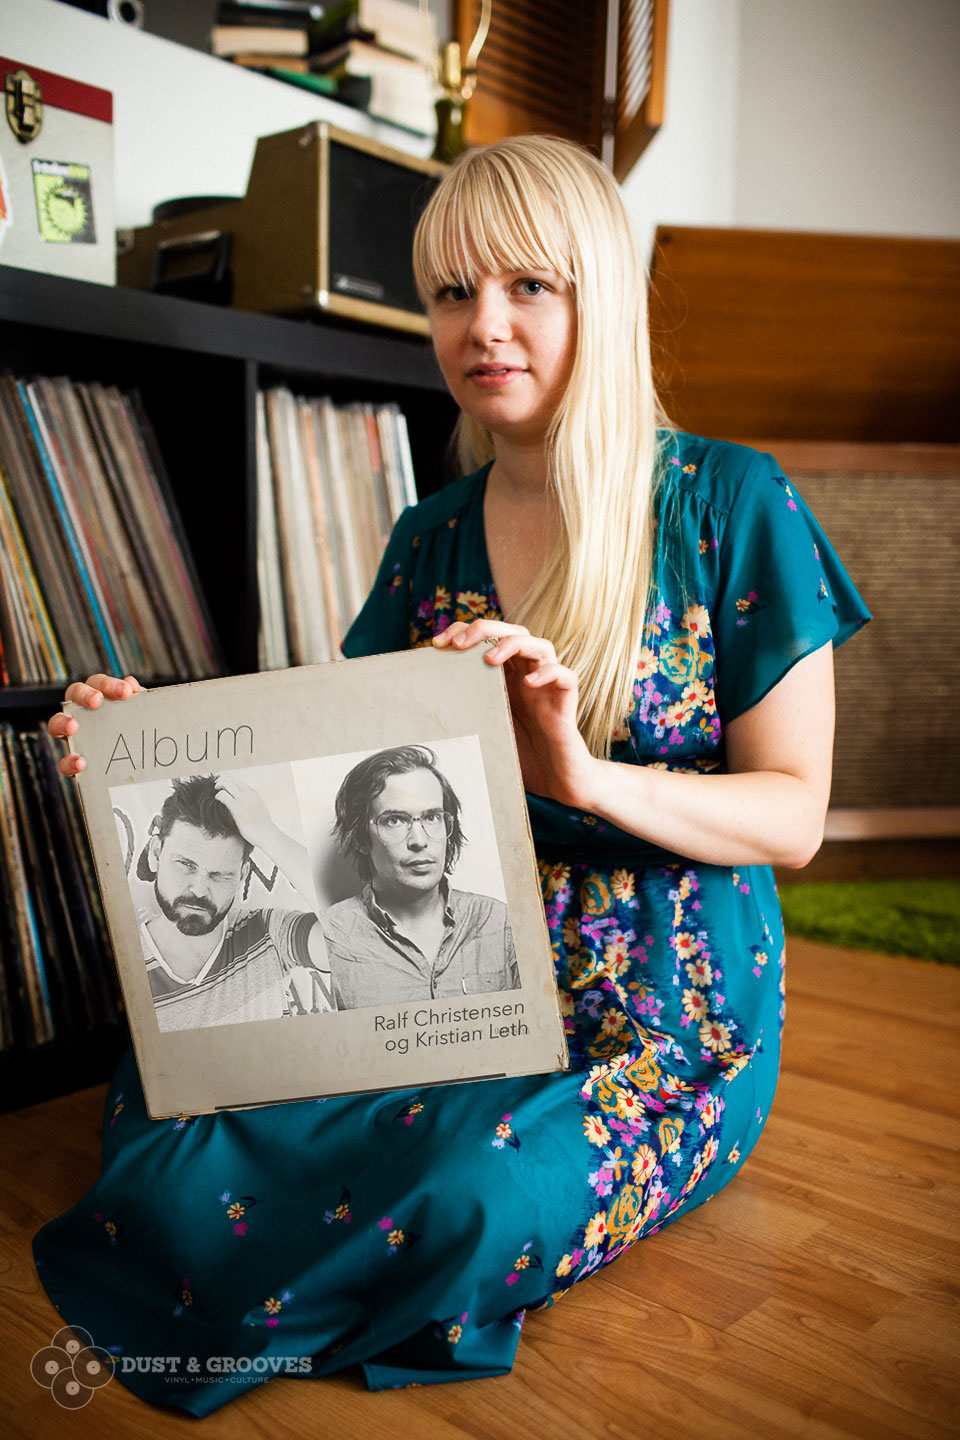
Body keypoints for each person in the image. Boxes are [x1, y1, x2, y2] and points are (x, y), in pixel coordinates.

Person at [34, 134, 869, 1414]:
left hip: (664, 1005)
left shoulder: (730, 502)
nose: (485, 326)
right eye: (451, 292)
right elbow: (325, 779)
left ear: (600, 294)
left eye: (530, 285)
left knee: (480, 1194)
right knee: (177, 1089)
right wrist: (146, 749)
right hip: (444, 973)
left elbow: (794, 815)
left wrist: (582, 776)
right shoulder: (429, 535)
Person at [318, 744, 519, 1009]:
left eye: (432, 817)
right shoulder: (327, 939)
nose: (419, 840)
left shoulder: (501, 923)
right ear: (361, 839)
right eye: (394, 820)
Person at [132, 772, 334, 1030]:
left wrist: (267, 834)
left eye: (220, 874)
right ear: (156, 853)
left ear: (242, 875)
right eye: (185, 864)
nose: (200, 890)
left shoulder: (269, 934)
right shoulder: (124, 966)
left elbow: (364, 936)